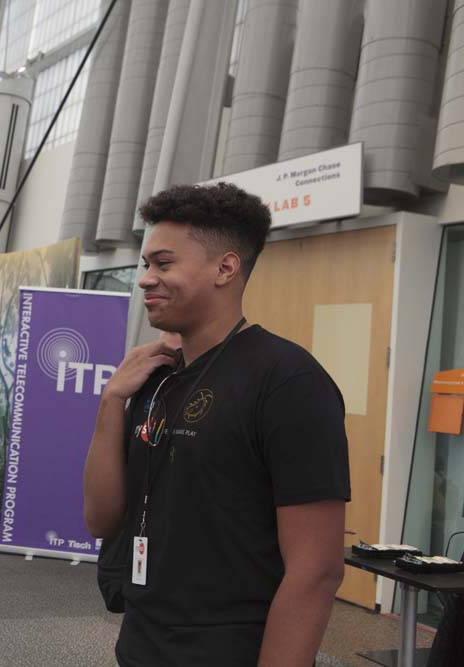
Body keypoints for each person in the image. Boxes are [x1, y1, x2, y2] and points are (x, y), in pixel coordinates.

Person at [83, 183, 350, 667]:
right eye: (146, 265)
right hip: (141, 643)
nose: (146, 278)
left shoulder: (289, 382)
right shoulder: (155, 377)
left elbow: (317, 570)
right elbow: (101, 520)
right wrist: (111, 401)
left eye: (163, 264)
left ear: (226, 268)